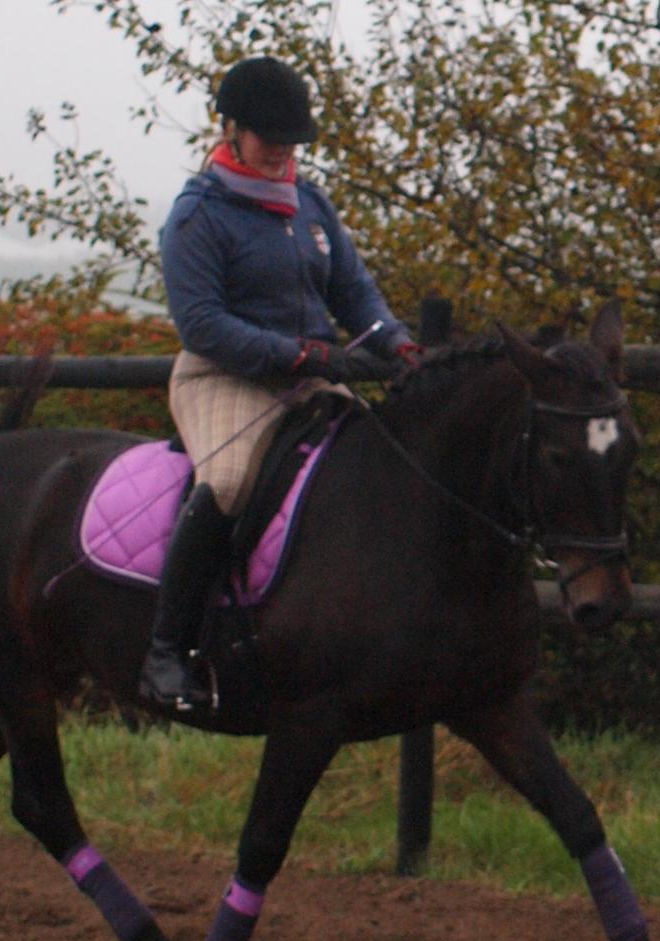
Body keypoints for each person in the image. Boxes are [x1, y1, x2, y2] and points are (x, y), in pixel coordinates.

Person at [139, 55, 421, 712]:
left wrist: (395, 340)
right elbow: (204, 325)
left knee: (380, 461)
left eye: (291, 141)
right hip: (223, 378)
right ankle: (165, 654)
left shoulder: (310, 205)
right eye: (270, 139)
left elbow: (355, 292)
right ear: (232, 129)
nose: (282, 153)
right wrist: (296, 354)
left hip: (306, 375)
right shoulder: (197, 216)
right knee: (232, 480)